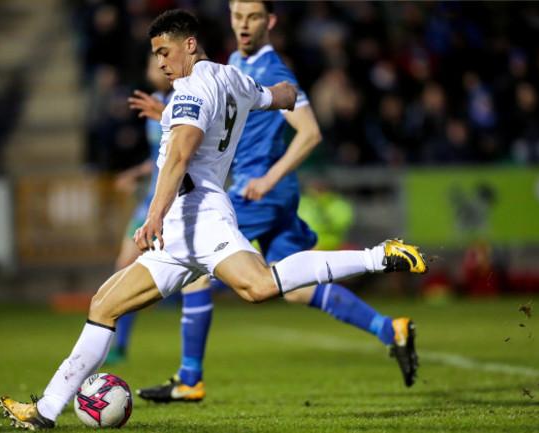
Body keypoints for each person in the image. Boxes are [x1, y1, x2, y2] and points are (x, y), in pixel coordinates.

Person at [0, 10, 427, 430]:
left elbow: (181, 156)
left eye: (165, 52)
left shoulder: (191, 89)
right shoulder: (231, 77)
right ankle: (46, 411)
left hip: (198, 216)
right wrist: (283, 91)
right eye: (155, 54)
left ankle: (378, 256)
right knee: (103, 306)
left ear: (189, 44)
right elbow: (279, 97)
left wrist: (152, 217)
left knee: (259, 286)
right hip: (182, 226)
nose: (161, 63)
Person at [132, 0, 420, 403]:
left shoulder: (273, 70)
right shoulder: (231, 62)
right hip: (265, 191)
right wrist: (167, 114)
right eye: (237, 16)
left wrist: (268, 178)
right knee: (297, 287)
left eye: (252, 17)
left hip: (259, 189)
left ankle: (189, 378)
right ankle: (391, 329)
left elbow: (310, 134)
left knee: (198, 268)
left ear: (269, 22)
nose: (244, 24)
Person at [105, 54, 173, 364]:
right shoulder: (153, 104)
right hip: (150, 200)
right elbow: (159, 157)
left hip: (172, 201)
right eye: (150, 64)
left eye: (160, 63)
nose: (155, 69)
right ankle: (117, 345)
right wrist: (136, 173)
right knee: (124, 266)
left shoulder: (185, 102)